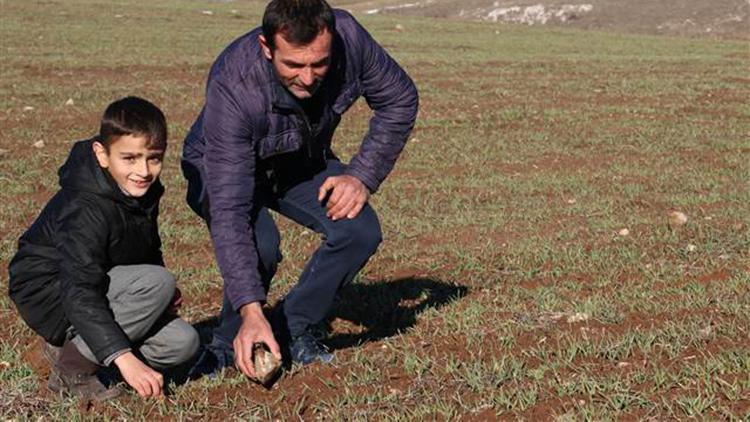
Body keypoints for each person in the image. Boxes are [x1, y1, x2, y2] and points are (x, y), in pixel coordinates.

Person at [182, 0, 418, 379]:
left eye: (319, 64)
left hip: (298, 158)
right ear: (266, 47)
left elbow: (399, 99)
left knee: (358, 230)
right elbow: (230, 212)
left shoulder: (350, 39)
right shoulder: (235, 86)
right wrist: (251, 309)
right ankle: (226, 346)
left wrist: (362, 176)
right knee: (261, 245)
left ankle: (293, 326)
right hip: (219, 163)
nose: (308, 78)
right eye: (293, 65)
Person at [8, 97, 200, 401]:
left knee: (183, 342)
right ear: (102, 154)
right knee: (157, 282)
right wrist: (124, 358)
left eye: (154, 157)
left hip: (95, 280)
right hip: (49, 291)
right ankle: (71, 372)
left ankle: (74, 346)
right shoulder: (86, 206)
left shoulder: (142, 190)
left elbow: (144, 246)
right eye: (130, 158)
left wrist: (158, 296)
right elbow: (79, 288)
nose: (144, 170)